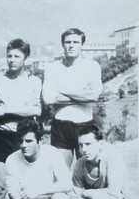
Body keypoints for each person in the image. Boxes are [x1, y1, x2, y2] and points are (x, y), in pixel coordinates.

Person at [0, 40, 42, 199]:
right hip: (3, 137)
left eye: (17, 56)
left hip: (24, 138)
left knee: (29, 187)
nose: (12, 60)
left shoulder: (33, 81)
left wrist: (7, 109)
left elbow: (36, 110)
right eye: (9, 56)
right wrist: (18, 110)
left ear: (25, 58)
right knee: (0, 188)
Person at [42, 28, 103, 166]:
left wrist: (62, 92)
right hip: (60, 125)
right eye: (67, 42)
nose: (71, 45)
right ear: (62, 44)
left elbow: (93, 96)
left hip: (85, 125)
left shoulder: (92, 66)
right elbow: (48, 99)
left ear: (82, 44)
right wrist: (81, 94)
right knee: (60, 173)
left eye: (75, 42)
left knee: (89, 170)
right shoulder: (52, 68)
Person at [5, 118, 72, 199]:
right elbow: (13, 194)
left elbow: (67, 184)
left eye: (29, 141)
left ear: (40, 141)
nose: (24, 145)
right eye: (21, 141)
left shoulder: (52, 153)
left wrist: (39, 191)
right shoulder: (12, 159)